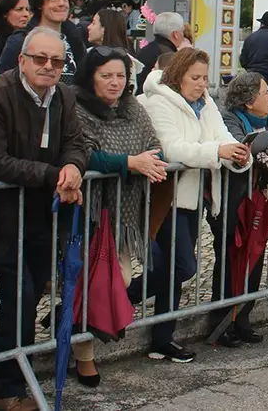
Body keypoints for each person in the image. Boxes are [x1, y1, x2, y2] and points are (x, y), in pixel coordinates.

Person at [0, 27, 88, 411]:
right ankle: (8, 387)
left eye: (56, 61)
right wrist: (54, 175)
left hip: (39, 208)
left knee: (31, 291)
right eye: (40, 59)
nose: (49, 67)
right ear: (22, 59)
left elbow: (76, 142)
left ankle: (0, 367)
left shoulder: (64, 96)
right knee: (18, 291)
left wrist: (72, 167)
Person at [140, 47, 250, 361]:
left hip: (193, 195)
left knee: (172, 268)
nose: (202, 83)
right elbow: (172, 149)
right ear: (178, 76)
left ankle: (163, 336)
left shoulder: (206, 103)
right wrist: (218, 151)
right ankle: (107, 301)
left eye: (205, 77)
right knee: (181, 266)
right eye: (195, 77)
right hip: (166, 196)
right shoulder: (159, 101)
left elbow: (223, 135)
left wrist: (239, 152)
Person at [65, 46, 166, 383]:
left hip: (122, 214)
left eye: (120, 75)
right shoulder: (76, 108)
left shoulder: (133, 108)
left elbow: (153, 144)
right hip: (86, 211)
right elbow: (84, 155)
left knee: (117, 279)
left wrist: (144, 161)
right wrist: (128, 163)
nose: (115, 82)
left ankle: (69, 322)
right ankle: (84, 356)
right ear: (90, 76)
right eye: (106, 75)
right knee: (91, 283)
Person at [216, 72, 268, 345]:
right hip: (233, 200)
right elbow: (244, 149)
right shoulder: (230, 119)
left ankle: (243, 317)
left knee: (256, 257)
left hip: (260, 198)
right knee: (230, 258)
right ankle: (222, 320)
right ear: (249, 101)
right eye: (265, 92)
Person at [0, 0, 86, 85]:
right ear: (39, 4)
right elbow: (1, 85)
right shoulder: (20, 41)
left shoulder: (74, 37)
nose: (62, 3)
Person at [86, 8, 144, 93]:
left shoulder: (127, 61)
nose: (88, 27)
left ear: (104, 29)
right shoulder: (87, 54)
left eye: (94, 23)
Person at [135, 11, 186, 91]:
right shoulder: (168, 56)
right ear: (175, 34)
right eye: (182, 31)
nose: (183, 36)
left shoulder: (147, 49)